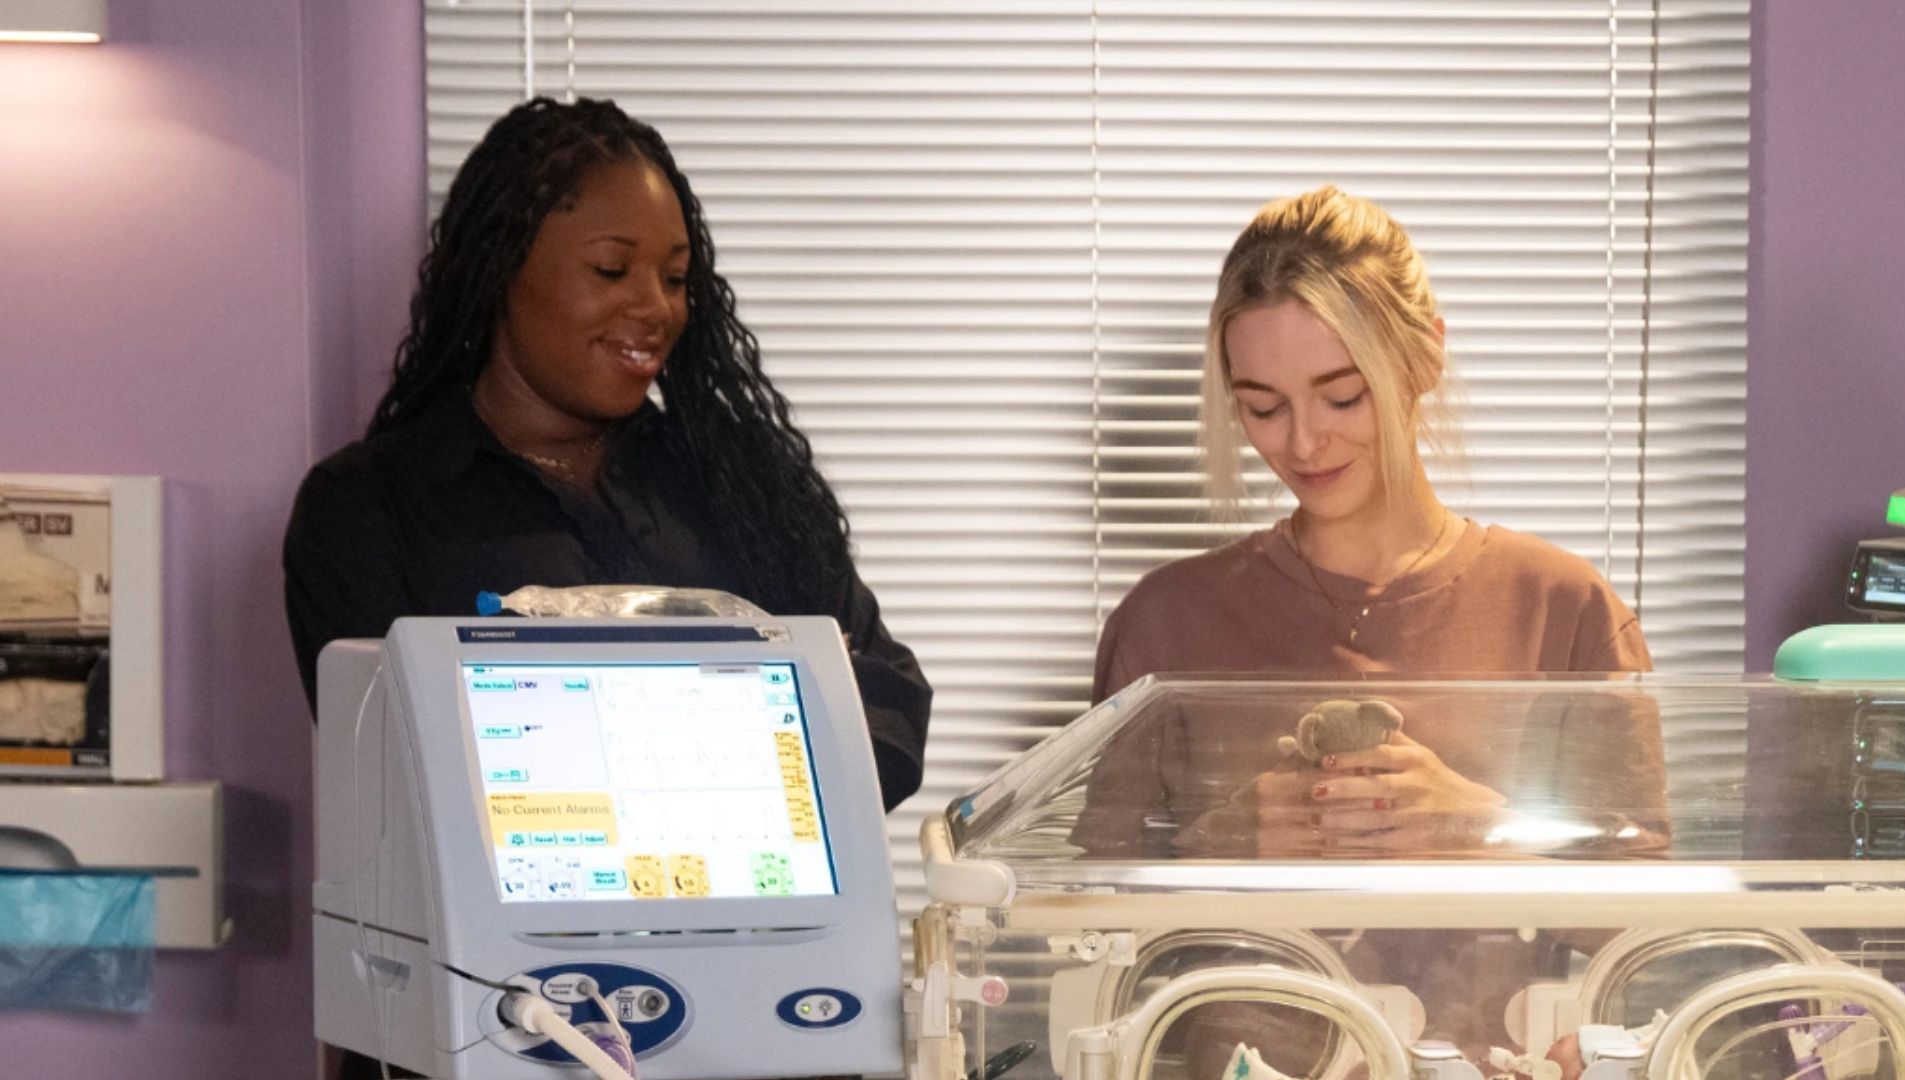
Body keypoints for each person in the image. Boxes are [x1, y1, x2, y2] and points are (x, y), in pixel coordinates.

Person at [282, 97, 932, 1078]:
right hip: (484, 1038)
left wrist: (606, 762)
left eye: (676, 279)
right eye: (611, 270)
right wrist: (749, 748)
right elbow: (403, 785)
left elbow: (885, 701)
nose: (658, 309)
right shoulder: (368, 508)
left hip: (753, 1033)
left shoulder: (740, 487)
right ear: (503, 268)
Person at [1077, 186, 1664, 1078]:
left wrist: (1480, 831)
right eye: (1262, 407)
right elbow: (1082, 933)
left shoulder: (1563, 607)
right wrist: (1237, 840)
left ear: (1424, 354)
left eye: (1342, 395)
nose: (1304, 441)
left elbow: (1656, 931)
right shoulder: (1165, 623)